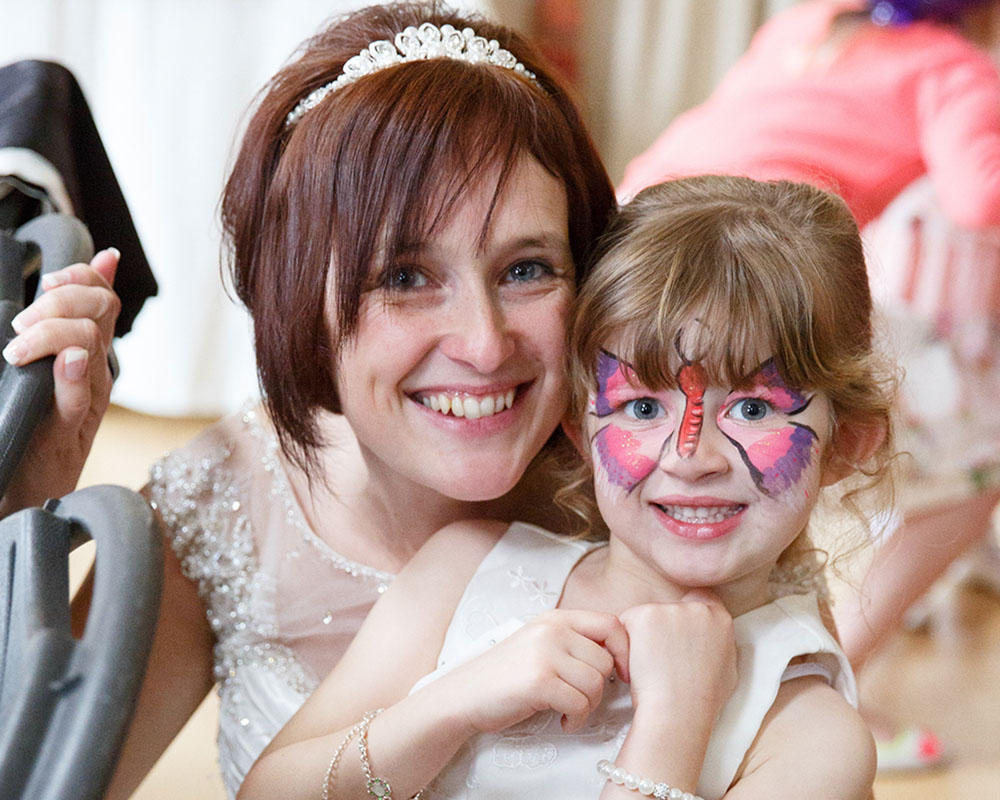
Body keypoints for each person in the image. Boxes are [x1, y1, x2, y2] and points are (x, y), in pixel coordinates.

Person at [66, 3, 617, 798]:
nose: (485, 344)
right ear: (301, 305)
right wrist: (29, 492)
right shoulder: (223, 504)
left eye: (527, 268)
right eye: (404, 278)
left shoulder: (654, 488)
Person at [240, 175, 895, 800]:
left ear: (847, 443)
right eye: (642, 408)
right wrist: (454, 702)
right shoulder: (464, 571)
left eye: (752, 410)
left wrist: (671, 727)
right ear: (579, 427)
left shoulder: (812, 740)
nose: (691, 458)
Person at [615, 0, 1000, 769]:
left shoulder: (802, 26)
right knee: (974, 467)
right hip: (750, 285)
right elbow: (979, 197)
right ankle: (835, 682)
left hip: (638, 254)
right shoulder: (952, 69)